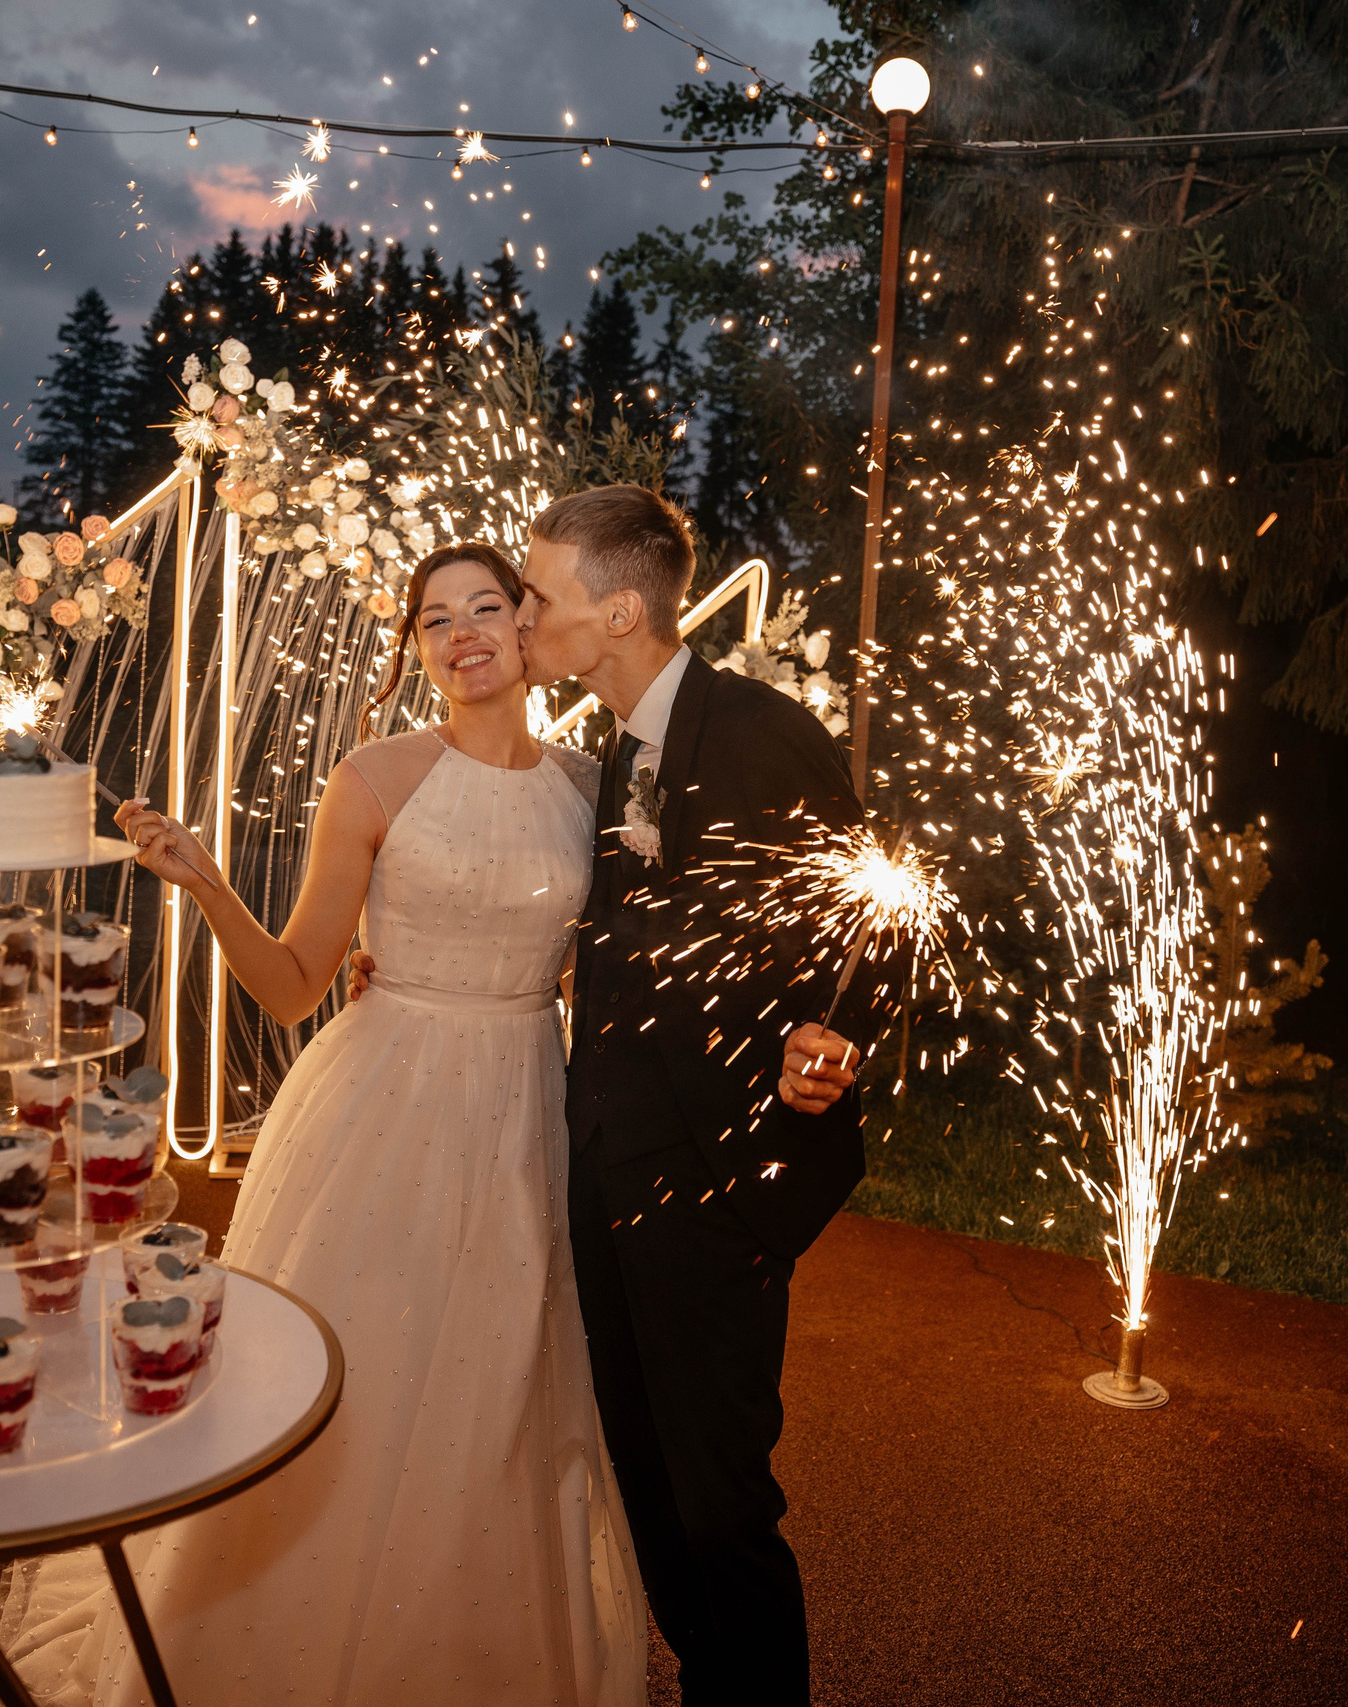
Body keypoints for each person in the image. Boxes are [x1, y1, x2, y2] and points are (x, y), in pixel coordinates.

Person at [0, 541, 646, 1707]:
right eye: (435, 619)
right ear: (416, 651)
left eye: (486, 607)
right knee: (357, 1364)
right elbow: (296, 982)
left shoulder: (591, 794)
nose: (463, 635)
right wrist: (203, 881)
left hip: (528, 1110)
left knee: (503, 1379)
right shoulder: (375, 776)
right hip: (385, 1101)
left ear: (527, 624)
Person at [359, 486, 870, 1705]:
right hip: (605, 1161)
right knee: (641, 1465)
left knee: (720, 1492)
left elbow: (869, 904)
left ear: (621, 609)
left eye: (537, 596)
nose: (522, 617)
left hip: (720, 1179)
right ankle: (707, 1675)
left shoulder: (758, 730)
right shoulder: (610, 757)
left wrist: (832, 1036)